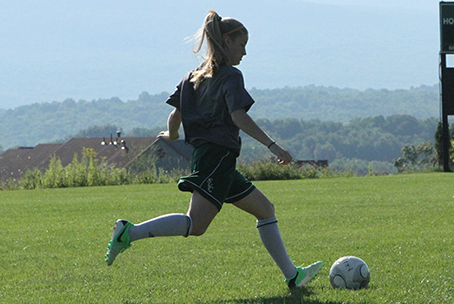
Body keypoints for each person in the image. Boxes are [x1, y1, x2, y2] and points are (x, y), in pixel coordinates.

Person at [105, 10, 322, 288]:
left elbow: (175, 116)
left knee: (266, 210)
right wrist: (273, 146)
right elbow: (238, 116)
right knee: (196, 225)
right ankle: (129, 233)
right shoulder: (231, 75)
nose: (244, 52)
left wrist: (171, 136)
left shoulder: (191, 77)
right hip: (216, 158)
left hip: (217, 160)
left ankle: (293, 276)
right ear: (228, 42)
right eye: (242, 45)